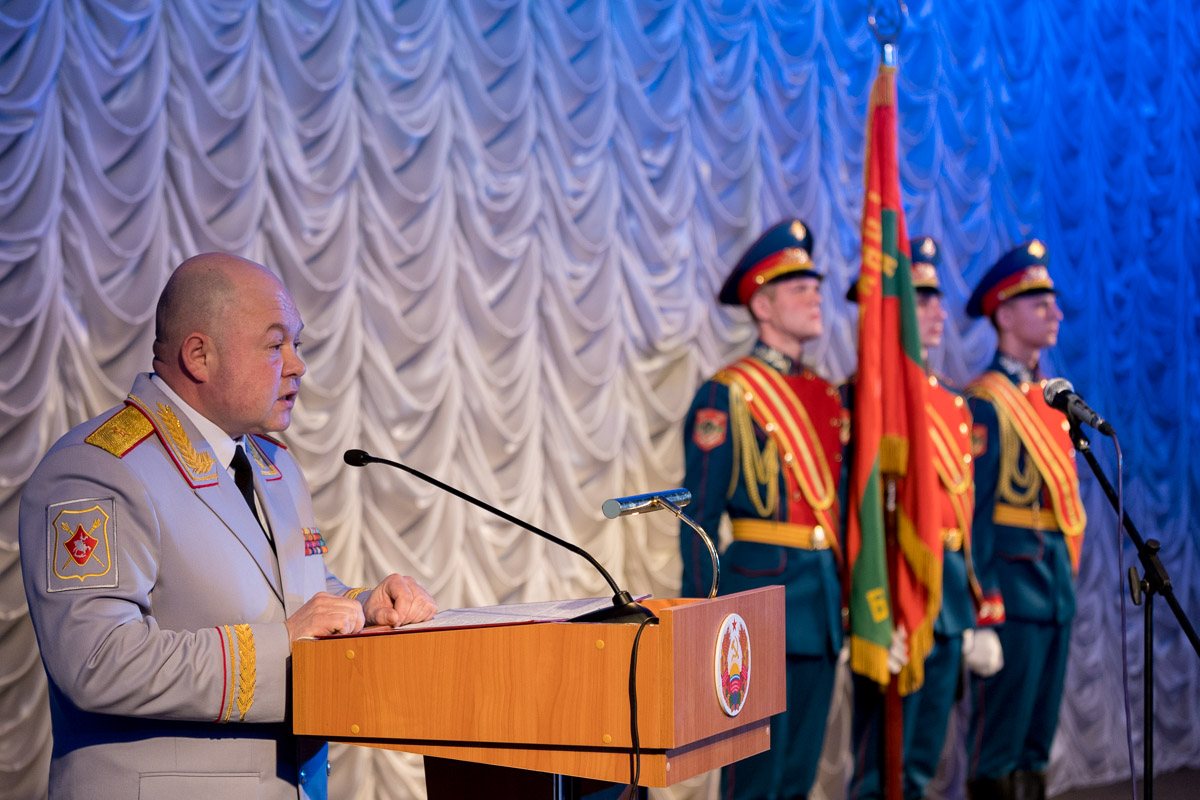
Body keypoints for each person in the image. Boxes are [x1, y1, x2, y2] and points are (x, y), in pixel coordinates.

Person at [19, 253, 438, 800]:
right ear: (199, 355)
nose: (297, 365)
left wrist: (362, 605)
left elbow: (293, 599)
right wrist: (282, 646)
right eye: (275, 345)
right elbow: (96, 661)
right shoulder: (97, 468)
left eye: (296, 344)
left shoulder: (274, 463)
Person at [679, 219, 846, 800]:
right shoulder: (727, 394)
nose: (816, 297)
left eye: (816, 287)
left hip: (821, 604)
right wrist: (699, 618)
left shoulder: (828, 396)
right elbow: (698, 517)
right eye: (799, 288)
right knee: (754, 783)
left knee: (799, 777)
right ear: (762, 305)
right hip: (757, 606)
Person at [962, 241, 1086, 800]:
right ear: (1005, 315)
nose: (1054, 311)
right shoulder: (985, 403)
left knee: (1037, 744)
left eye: (1052, 302)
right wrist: (984, 605)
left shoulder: (1053, 402)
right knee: (999, 742)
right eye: (1039, 303)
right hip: (1010, 591)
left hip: (1054, 588)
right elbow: (975, 514)